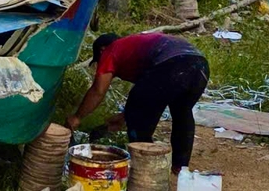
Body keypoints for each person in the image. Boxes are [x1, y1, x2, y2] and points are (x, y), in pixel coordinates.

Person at [69, 30, 211, 169]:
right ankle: (180, 168)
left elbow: (98, 91)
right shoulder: (134, 47)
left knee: (139, 121)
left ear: (102, 50)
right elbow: (148, 97)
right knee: (182, 113)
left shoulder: (110, 50)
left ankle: (145, 168)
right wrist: (126, 116)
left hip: (174, 64)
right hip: (200, 66)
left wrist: (77, 117)